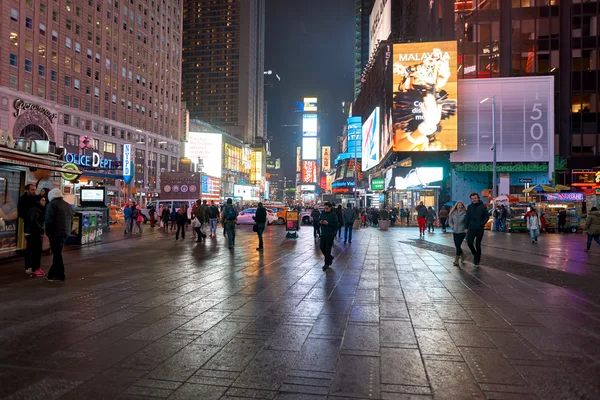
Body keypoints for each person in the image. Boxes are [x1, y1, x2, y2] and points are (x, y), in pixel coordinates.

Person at [45, 188, 73, 282]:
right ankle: (52, 274)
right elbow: (71, 220)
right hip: (65, 233)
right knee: (57, 253)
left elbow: (49, 220)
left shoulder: (51, 205)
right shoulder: (67, 205)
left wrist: (48, 233)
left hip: (55, 233)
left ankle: (60, 274)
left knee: (57, 254)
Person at [464, 192, 489, 267]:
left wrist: (482, 224)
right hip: (471, 228)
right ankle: (476, 255)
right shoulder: (469, 207)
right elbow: (467, 218)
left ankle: (477, 261)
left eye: (475, 198)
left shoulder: (483, 207)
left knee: (478, 244)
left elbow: (486, 217)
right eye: (472, 199)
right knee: (469, 243)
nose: (474, 200)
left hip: (480, 228)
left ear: (478, 198)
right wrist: (466, 227)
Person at [18, 183, 38, 274]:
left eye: (35, 189)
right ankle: (28, 266)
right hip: (28, 227)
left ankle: (35, 267)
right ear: (27, 190)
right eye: (32, 190)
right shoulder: (23, 199)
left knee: (35, 247)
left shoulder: (36, 198)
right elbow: (20, 213)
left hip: (37, 227)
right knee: (30, 246)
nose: (34, 191)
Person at [27, 195, 47, 277]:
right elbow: (34, 222)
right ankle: (35, 269)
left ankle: (37, 268)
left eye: (44, 200)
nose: (44, 202)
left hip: (38, 233)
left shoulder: (40, 209)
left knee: (38, 252)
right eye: (42, 200)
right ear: (38, 201)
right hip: (35, 234)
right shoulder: (35, 210)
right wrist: (41, 229)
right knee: (35, 252)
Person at [319, 202, 338, 271]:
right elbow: (319, 220)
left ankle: (326, 263)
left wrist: (328, 223)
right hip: (323, 233)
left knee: (327, 249)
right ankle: (330, 257)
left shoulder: (333, 215)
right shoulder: (322, 213)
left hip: (330, 234)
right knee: (321, 247)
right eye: (324, 208)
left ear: (330, 208)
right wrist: (320, 222)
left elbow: (336, 225)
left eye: (327, 208)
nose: (325, 209)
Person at [448, 201, 467, 266]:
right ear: (456, 206)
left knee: (458, 245)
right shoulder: (453, 213)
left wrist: (466, 228)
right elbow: (450, 221)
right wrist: (452, 227)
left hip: (462, 232)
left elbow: (467, 222)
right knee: (457, 245)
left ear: (463, 206)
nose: (460, 206)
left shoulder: (465, 213)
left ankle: (456, 260)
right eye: (459, 205)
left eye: (461, 205)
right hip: (455, 231)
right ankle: (463, 255)